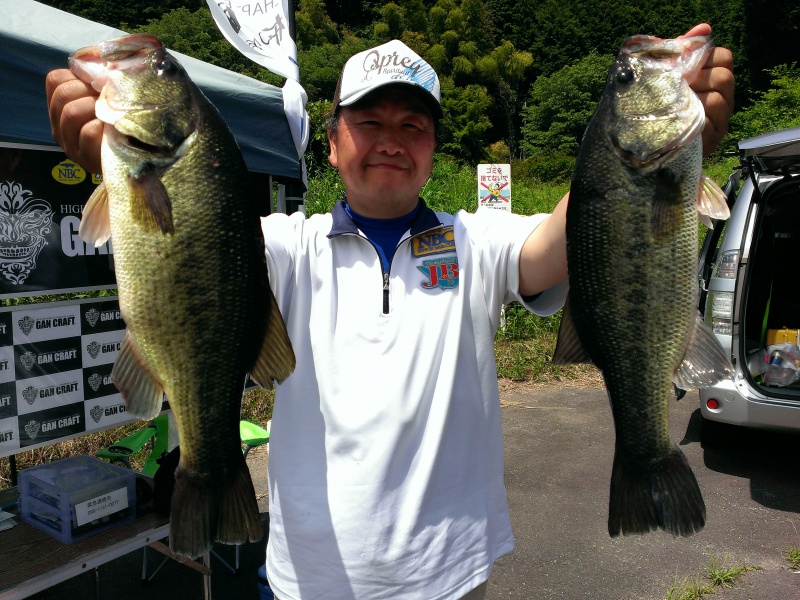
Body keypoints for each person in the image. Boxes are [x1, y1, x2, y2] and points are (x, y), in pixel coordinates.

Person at [46, 23, 734, 600]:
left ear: (434, 146)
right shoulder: (283, 246)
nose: (390, 140)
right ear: (334, 139)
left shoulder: (478, 240)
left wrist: (648, 156)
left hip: (452, 571)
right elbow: (196, 253)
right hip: (310, 576)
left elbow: (573, 234)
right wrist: (130, 174)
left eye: (413, 124)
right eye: (368, 121)